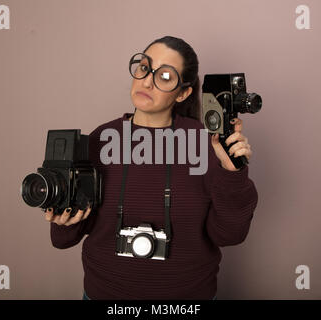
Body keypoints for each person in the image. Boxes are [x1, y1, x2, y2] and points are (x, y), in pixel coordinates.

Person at [44, 36, 258, 300]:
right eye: (145, 68)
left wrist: (233, 174)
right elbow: (64, 239)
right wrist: (63, 219)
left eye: (165, 76)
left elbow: (229, 235)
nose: (147, 81)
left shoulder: (207, 143)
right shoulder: (101, 138)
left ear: (183, 93)